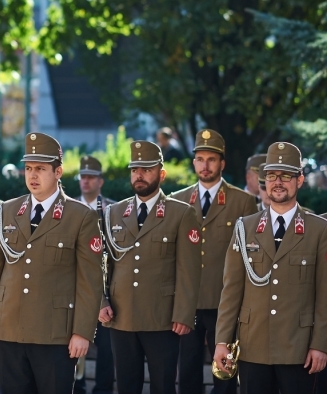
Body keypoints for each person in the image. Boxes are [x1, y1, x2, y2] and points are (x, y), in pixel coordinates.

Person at [0, 133, 103, 394]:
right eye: (29, 168)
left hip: (55, 334)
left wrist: (82, 332)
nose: (33, 175)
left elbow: (90, 281)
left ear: (58, 172)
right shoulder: (7, 211)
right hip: (9, 329)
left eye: (41, 169)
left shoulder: (80, 216)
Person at [214, 142, 327, 394]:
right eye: (272, 176)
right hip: (253, 345)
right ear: (263, 180)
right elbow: (231, 290)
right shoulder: (245, 227)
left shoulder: (319, 230)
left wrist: (320, 344)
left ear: (299, 180)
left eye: (286, 176)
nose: (278, 182)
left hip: (299, 348)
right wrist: (222, 341)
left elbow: (324, 295)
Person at [99, 140, 201, 394]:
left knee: (163, 386)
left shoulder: (181, 213)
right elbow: (103, 264)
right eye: (135, 170)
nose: (139, 175)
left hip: (162, 319)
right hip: (121, 317)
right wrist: (101, 301)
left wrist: (183, 314)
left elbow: (189, 270)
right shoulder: (114, 212)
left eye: (146, 169)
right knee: (126, 386)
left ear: (161, 174)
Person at [170, 130, 258, 394]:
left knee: (225, 372)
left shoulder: (242, 201)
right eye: (200, 159)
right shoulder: (177, 200)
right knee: (187, 370)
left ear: (222, 163)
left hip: (225, 303)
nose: (205, 165)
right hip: (188, 303)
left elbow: (250, 255)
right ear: (194, 162)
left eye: (211, 159)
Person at [74, 155, 116, 394]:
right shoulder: (70, 207)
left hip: (105, 289)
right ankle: (77, 386)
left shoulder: (113, 210)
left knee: (107, 348)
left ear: (100, 181)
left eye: (91, 177)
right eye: (83, 177)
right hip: (77, 288)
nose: (86, 182)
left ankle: (102, 389)